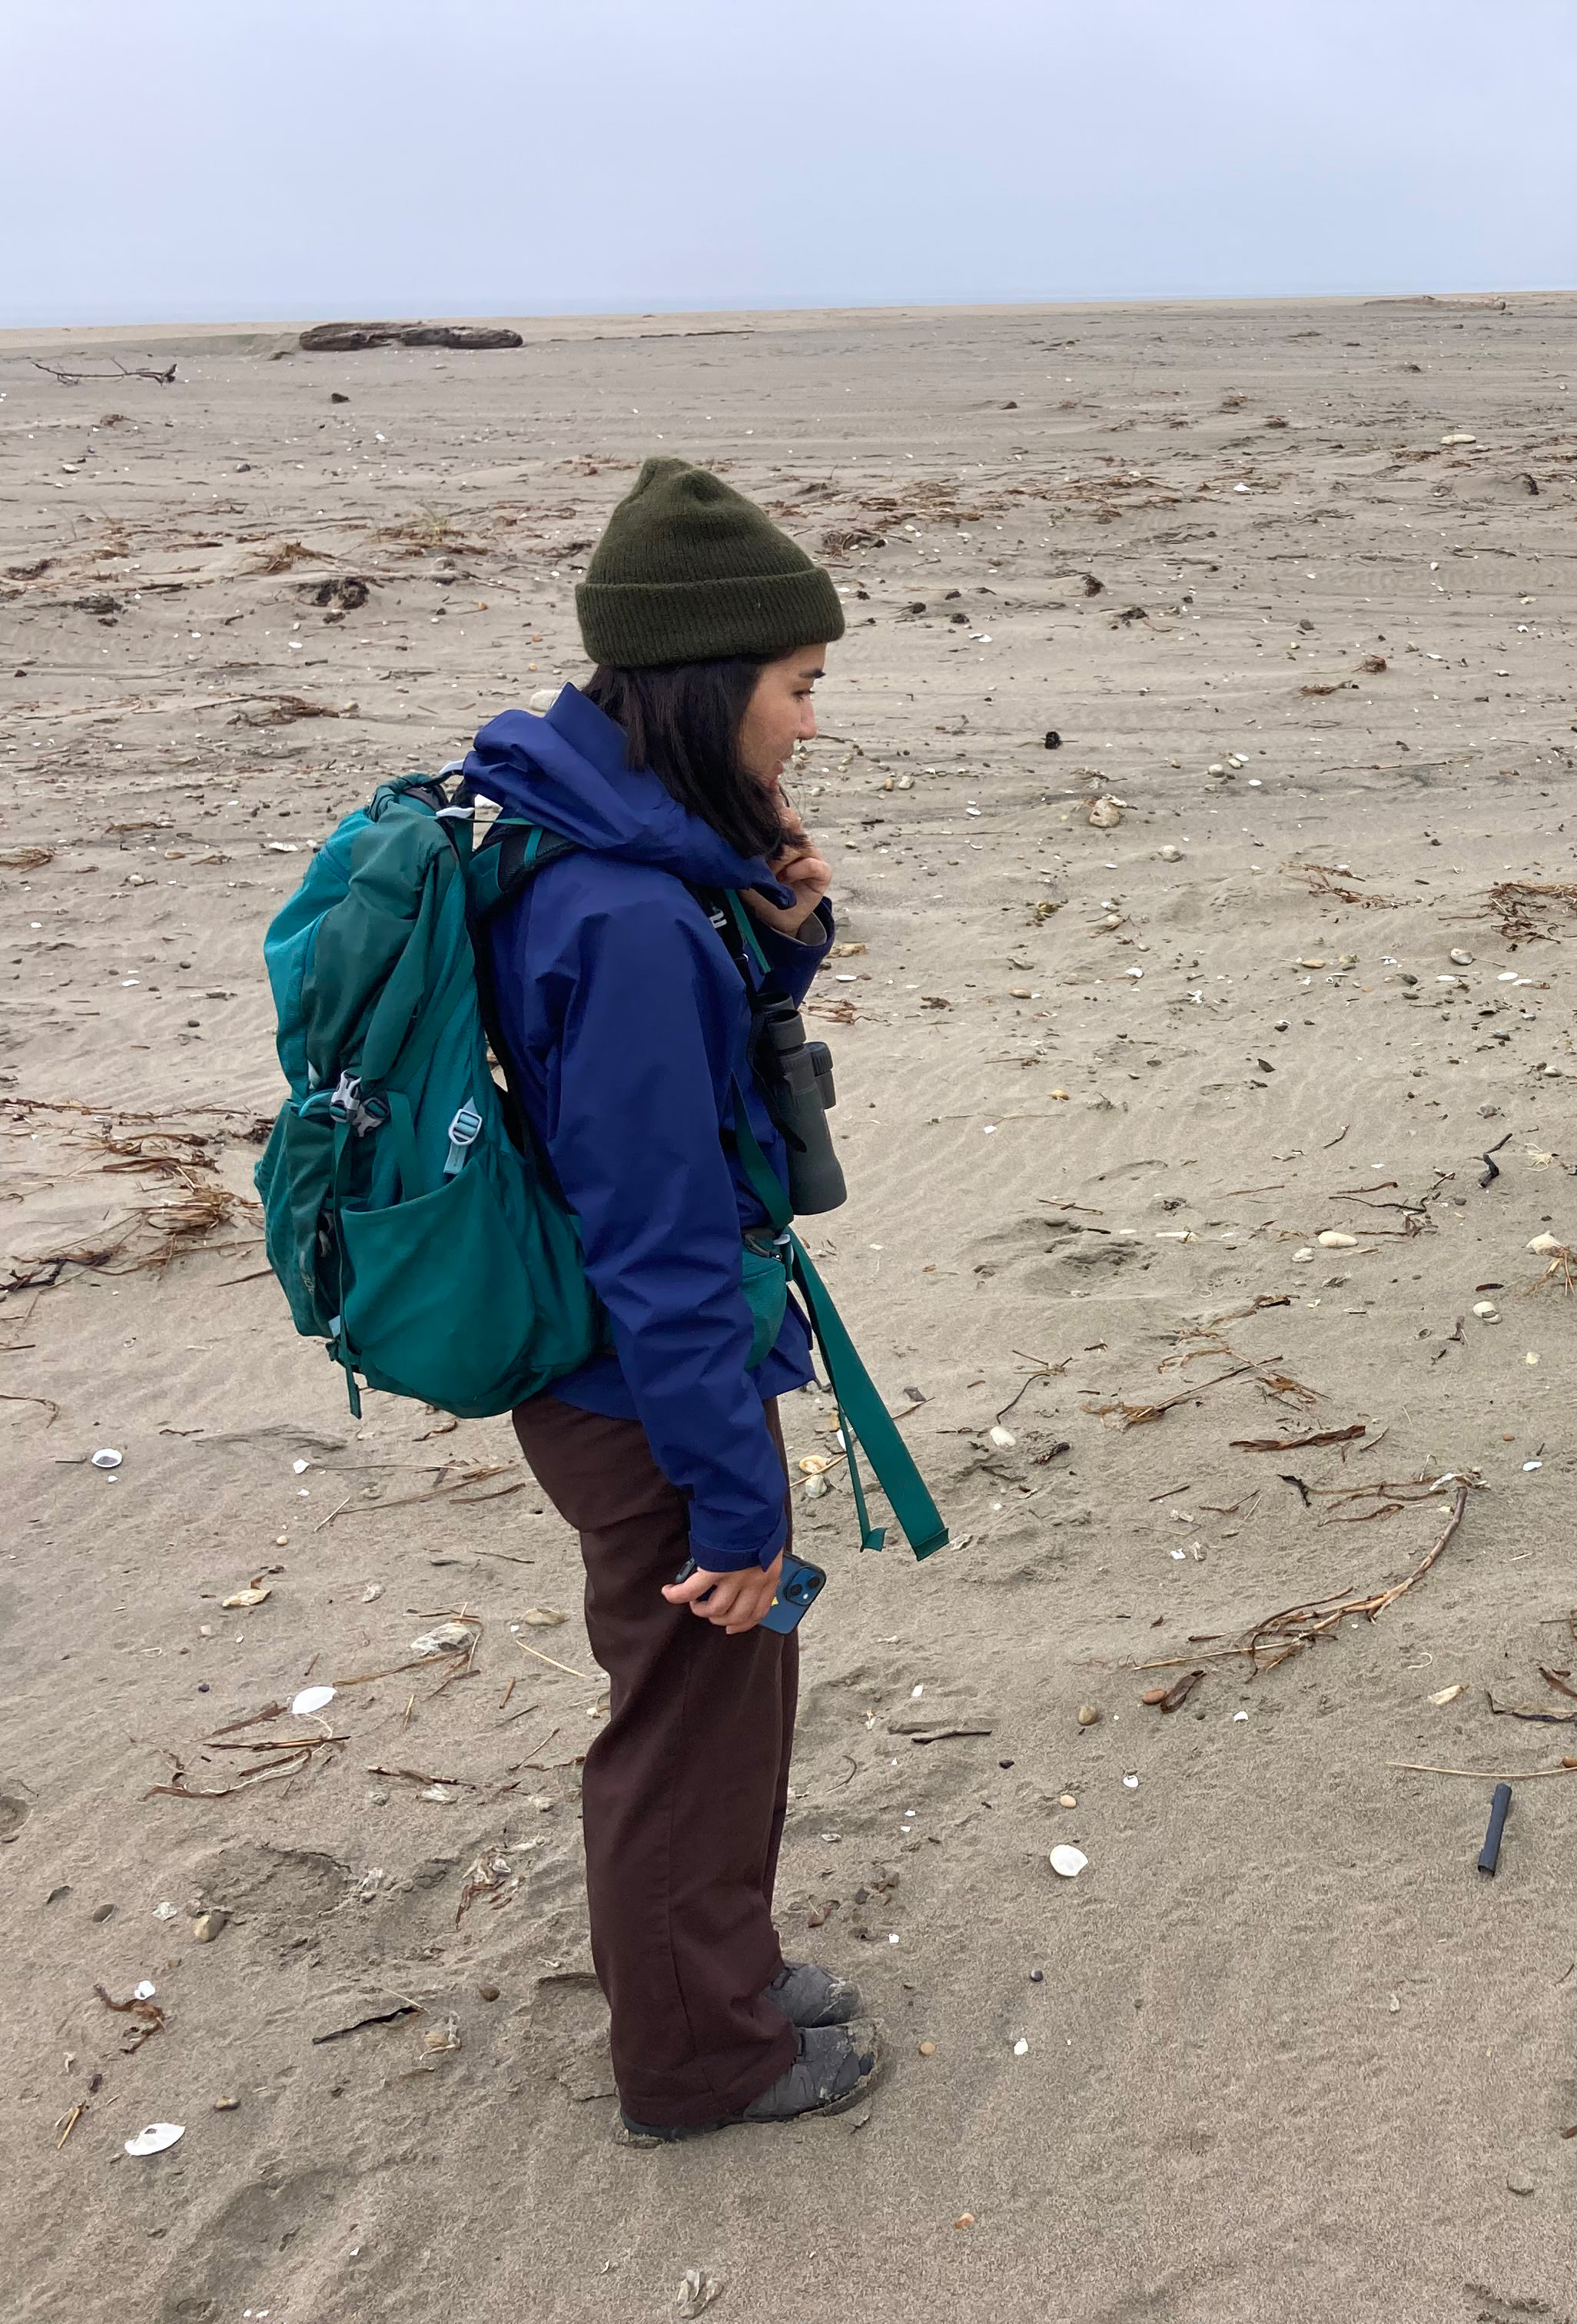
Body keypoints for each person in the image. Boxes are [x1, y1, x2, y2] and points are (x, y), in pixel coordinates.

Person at [464, 459, 878, 2142]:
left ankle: (727, 1977)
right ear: (711, 686)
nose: (806, 725)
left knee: (723, 1699)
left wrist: (780, 937)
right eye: (797, 689)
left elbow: (668, 1106)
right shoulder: (621, 913)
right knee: (688, 1714)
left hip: (634, 1371)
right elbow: (662, 1240)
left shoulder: (606, 850)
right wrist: (732, 1497)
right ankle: (700, 2063)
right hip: (644, 1388)